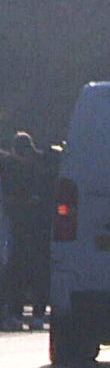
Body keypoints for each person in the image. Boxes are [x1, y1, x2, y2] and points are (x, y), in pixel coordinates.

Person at [0, 132, 49, 330]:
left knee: (21, 271)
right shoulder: (41, 166)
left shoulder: (17, 168)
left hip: (25, 229)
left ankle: (18, 314)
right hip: (33, 229)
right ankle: (31, 314)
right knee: (31, 272)